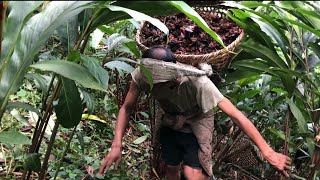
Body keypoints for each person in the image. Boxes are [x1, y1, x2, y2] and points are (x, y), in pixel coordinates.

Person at [99, 46, 291, 180]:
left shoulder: (198, 83)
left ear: (174, 79)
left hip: (197, 119)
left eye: (159, 84)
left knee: (193, 175)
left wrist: (267, 151)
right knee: (171, 168)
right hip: (170, 118)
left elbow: (235, 115)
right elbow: (126, 107)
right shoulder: (143, 75)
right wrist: (117, 145)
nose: (152, 88)